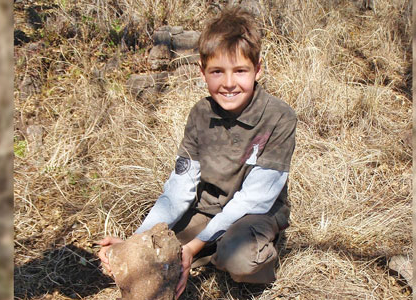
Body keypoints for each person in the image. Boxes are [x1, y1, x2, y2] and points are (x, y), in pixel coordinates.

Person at [97, 6, 297, 299]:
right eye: (217, 72)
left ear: (258, 69)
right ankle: (211, 248)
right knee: (149, 255)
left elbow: (256, 197)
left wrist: (192, 247)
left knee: (238, 258)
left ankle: (243, 252)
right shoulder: (200, 114)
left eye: (240, 71)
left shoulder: (279, 117)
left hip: (254, 213)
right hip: (207, 210)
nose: (229, 83)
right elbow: (179, 190)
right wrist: (136, 242)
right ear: (203, 72)